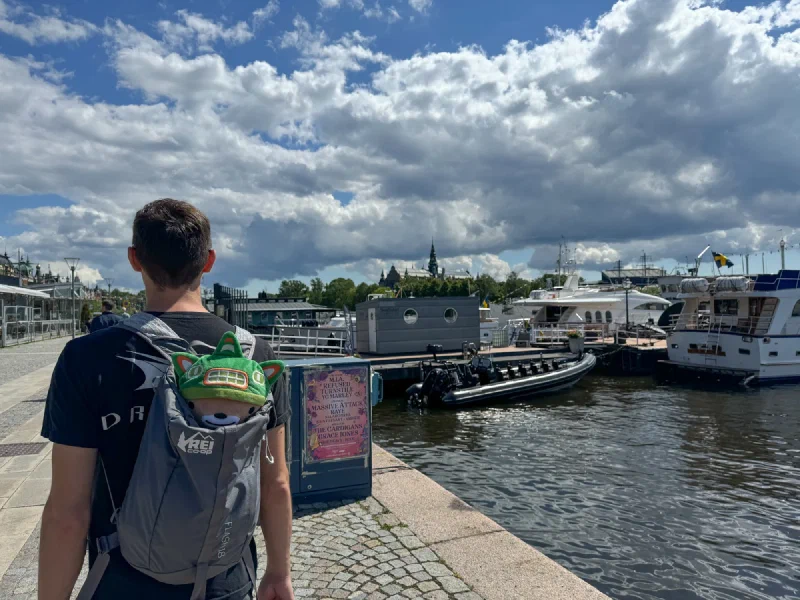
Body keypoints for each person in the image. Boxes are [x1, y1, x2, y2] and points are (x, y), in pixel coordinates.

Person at [39, 199, 294, 600]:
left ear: (134, 259)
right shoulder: (256, 357)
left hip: (122, 581)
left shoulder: (87, 358)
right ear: (208, 261)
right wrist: (279, 572)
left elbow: (67, 512)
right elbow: (275, 482)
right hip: (226, 578)